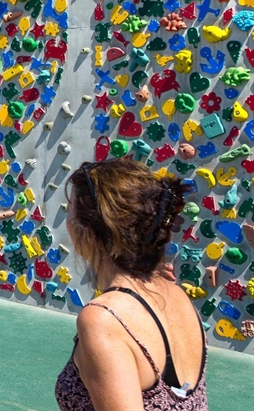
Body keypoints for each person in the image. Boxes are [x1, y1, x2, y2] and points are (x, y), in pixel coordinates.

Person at [55, 159, 207, 410]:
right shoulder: (175, 294)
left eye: (69, 209)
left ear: (88, 228)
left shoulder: (103, 320)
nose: (67, 219)